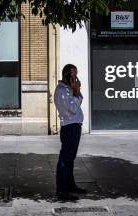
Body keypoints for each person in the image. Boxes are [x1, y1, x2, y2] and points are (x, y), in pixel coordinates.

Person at [54, 63, 87, 201]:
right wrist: (77, 92)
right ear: (67, 74)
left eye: (76, 73)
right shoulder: (62, 91)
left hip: (74, 126)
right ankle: (62, 191)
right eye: (74, 74)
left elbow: (78, 100)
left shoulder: (68, 89)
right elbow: (73, 108)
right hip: (69, 127)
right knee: (65, 159)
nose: (76, 77)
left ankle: (70, 185)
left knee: (70, 159)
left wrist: (76, 91)